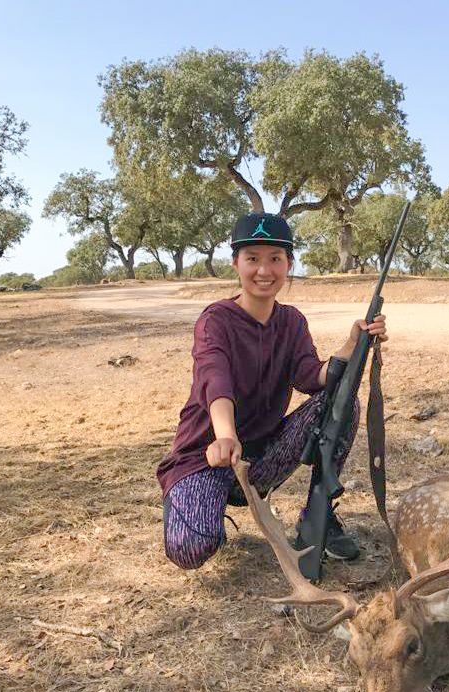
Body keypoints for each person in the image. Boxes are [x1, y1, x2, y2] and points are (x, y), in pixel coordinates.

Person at [156, 212, 388, 570]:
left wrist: (352, 346)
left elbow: (311, 377)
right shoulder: (215, 320)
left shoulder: (292, 321)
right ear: (235, 263)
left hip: (261, 459)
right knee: (190, 549)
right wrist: (225, 436)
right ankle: (194, 505)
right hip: (207, 457)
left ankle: (319, 515)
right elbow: (214, 378)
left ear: (288, 264)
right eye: (253, 258)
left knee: (341, 401)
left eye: (275, 259)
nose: (264, 270)